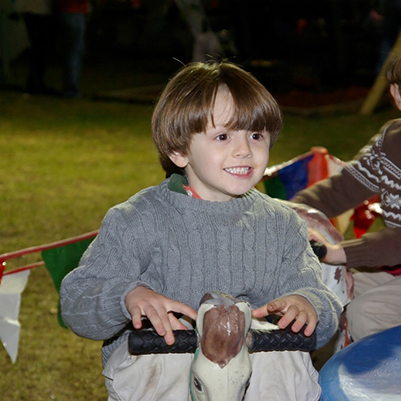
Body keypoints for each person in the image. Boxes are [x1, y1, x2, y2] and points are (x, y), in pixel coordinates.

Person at [60, 61, 342, 400]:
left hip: (256, 376)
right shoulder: (138, 220)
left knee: (285, 364)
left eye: (256, 135)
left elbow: (321, 302)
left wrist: (308, 304)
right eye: (223, 136)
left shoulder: (281, 224)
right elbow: (77, 302)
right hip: (162, 372)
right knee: (161, 364)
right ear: (179, 150)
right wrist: (128, 296)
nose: (244, 150)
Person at [291, 53, 401, 343]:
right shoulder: (392, 140)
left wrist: (339, 252)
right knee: (326, 294)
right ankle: (325, 366)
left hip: (395, 259)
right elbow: (341, 190)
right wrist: (291, 212)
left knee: (367, 313)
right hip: (395, 269)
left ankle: (381, 374)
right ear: (397, 94)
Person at [54, 0, 89, 98]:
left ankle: (69, 86)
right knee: (74, 52)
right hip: (74, 12)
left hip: (65, 12)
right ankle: (71, 89)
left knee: (70, 51)